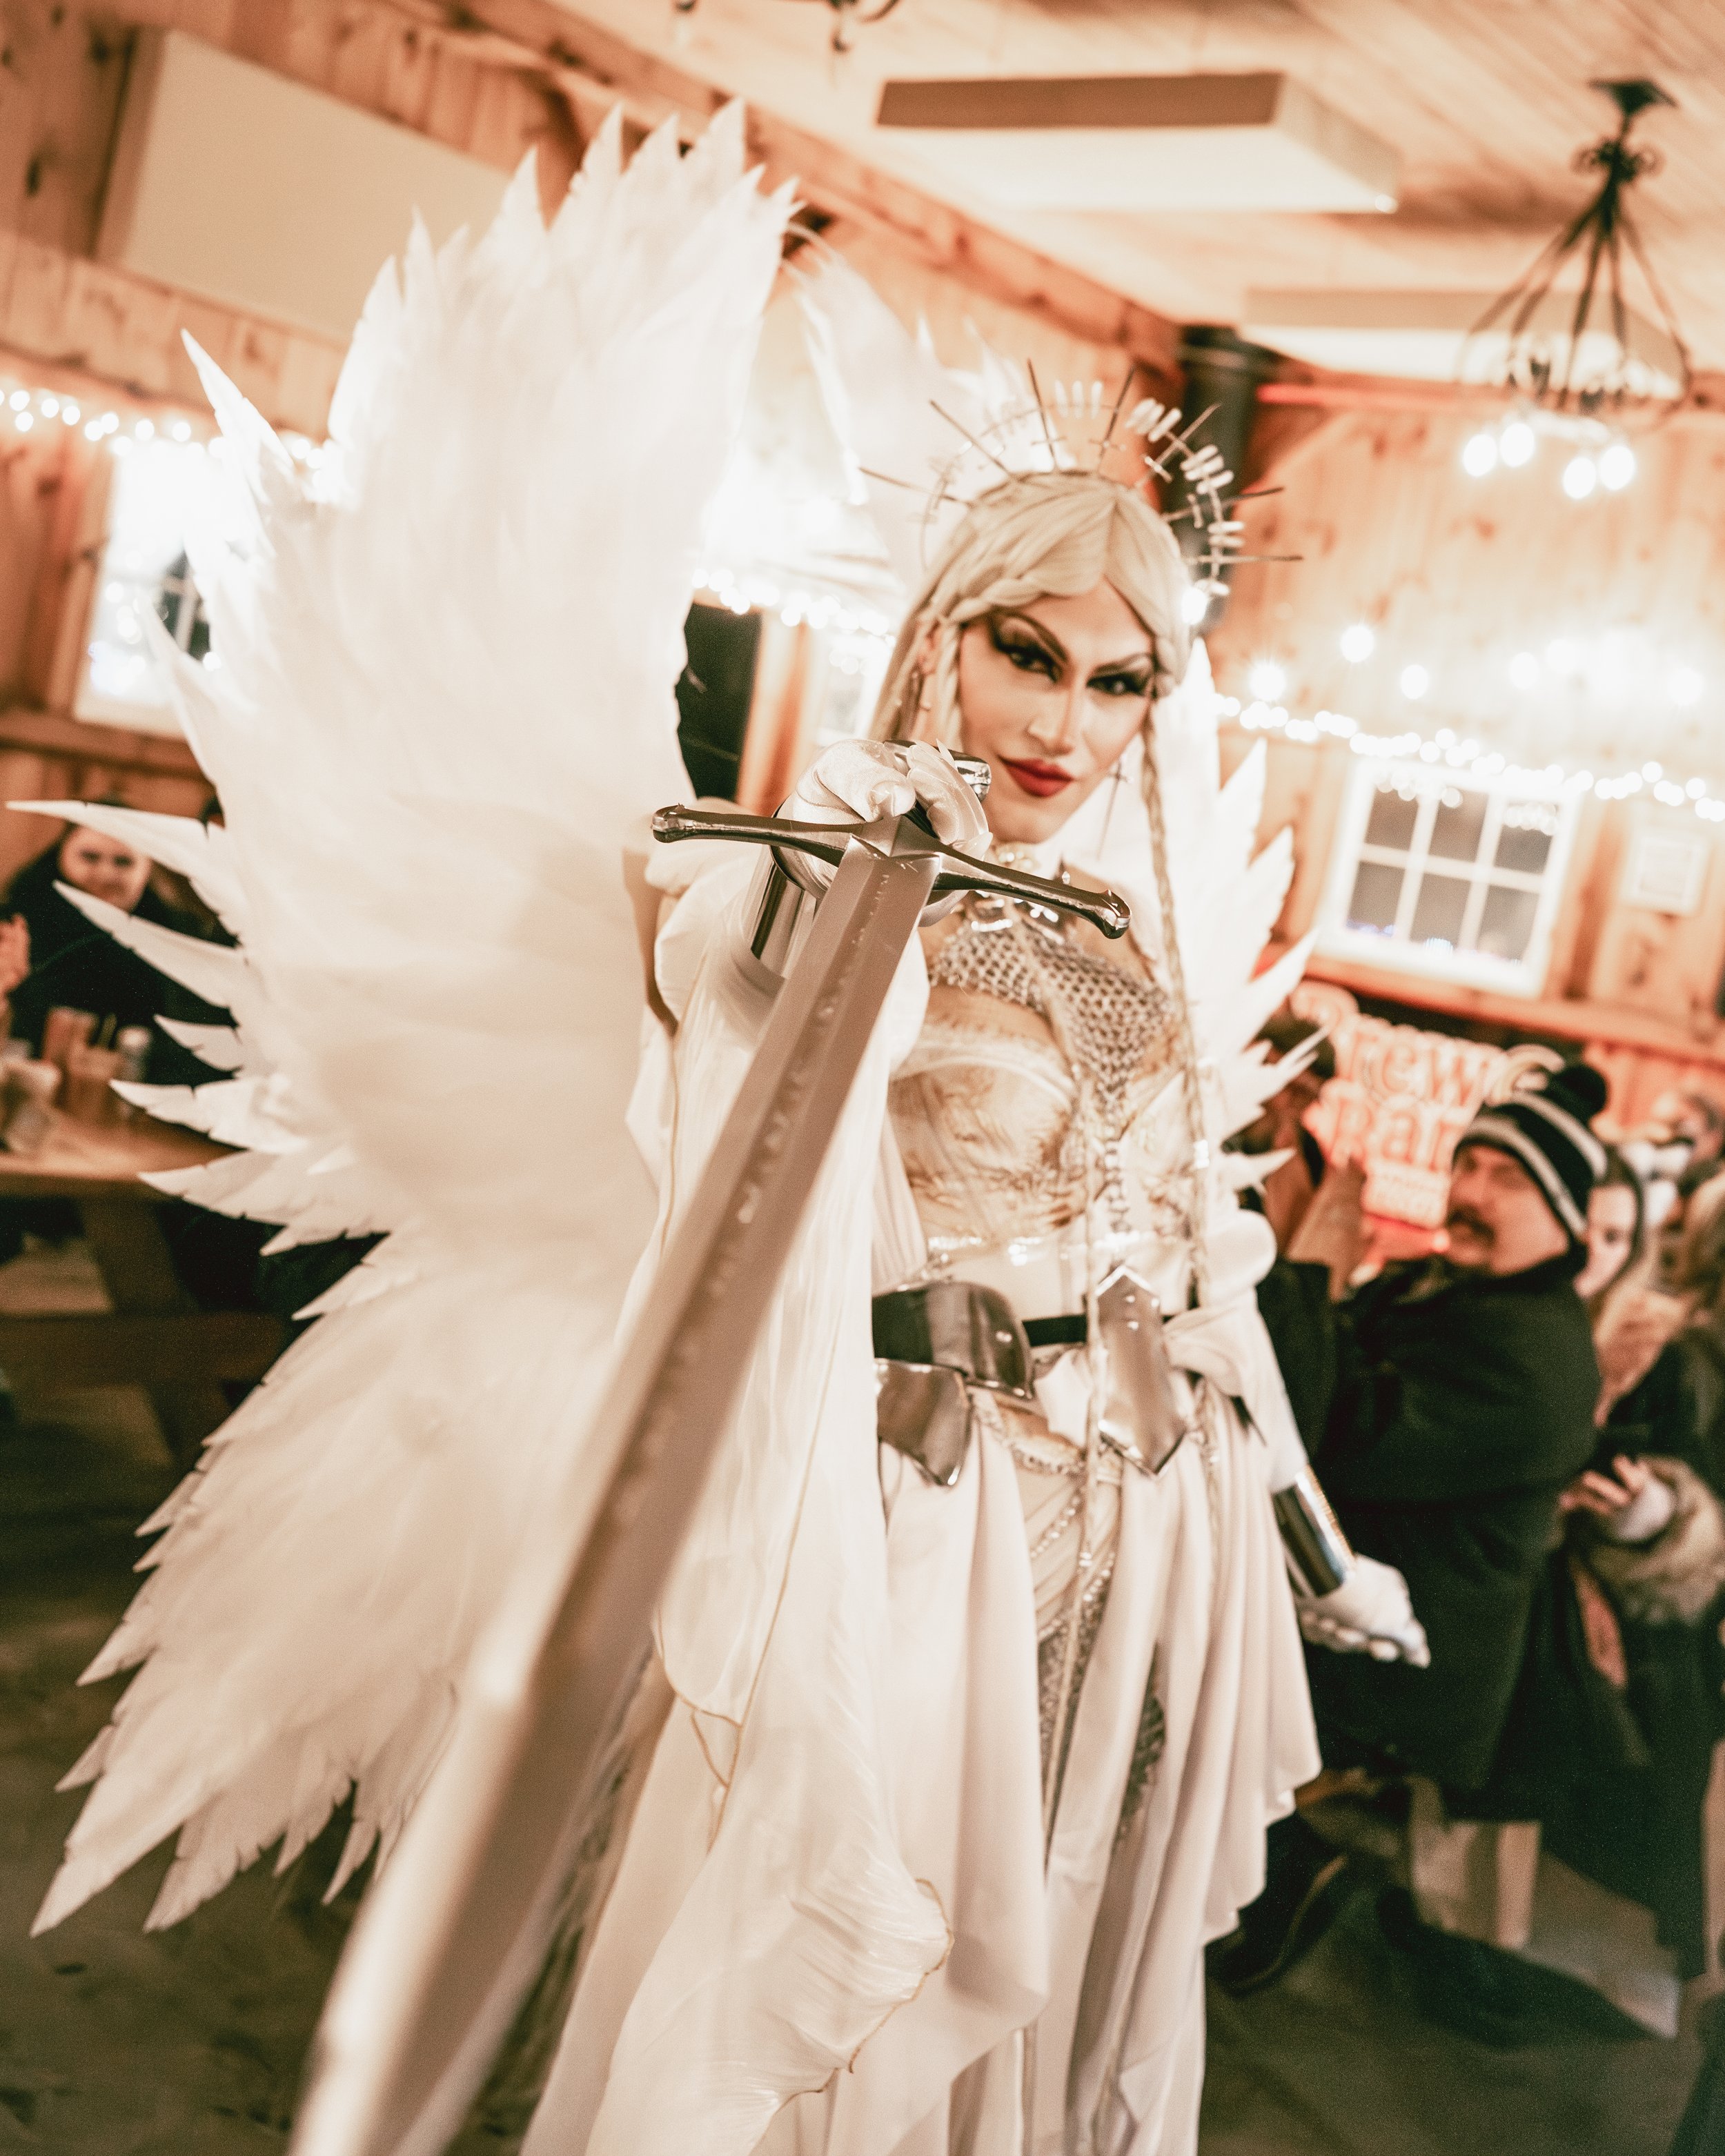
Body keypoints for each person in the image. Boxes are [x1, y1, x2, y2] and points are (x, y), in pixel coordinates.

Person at [28, 122, 1422, 2156]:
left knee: (1043, 1989)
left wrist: (1303, 1531)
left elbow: (1192, 1261)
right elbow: (741, 1096)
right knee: (842, 1998)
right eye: (1024, 647)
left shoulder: (1132, 928)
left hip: (1142, 1530)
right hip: (900, 1522)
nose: (1066, 715)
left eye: (1118, 678)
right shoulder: (796, 883)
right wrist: (789, 903)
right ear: (939, 630)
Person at [1216, 1065, 1608, 1995]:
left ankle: (1296, 1858)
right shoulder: (1458, 1293)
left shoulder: (1541, 1356)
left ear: (1565, 1212)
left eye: (1506, 1179)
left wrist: (1308, 1265)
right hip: (1346, 1623)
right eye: (1467, 1163)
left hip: (1388, 1666)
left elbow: (1332, 1434)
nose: (1469, 1191)